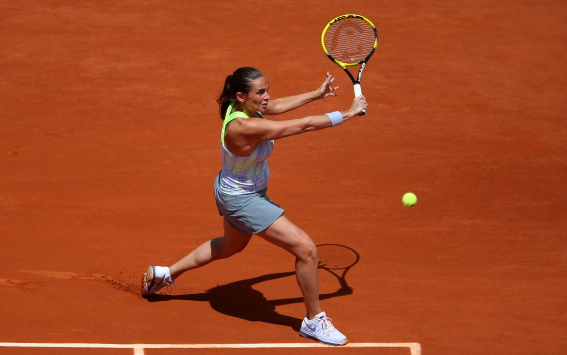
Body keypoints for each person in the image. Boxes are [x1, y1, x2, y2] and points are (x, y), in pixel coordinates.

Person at [141, 67, 367, 346]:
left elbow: (277, 106)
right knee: (306, 249)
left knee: (229, 246)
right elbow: (302, 125)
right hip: (243, 200)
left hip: (232, 190)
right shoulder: (244, 126)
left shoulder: (244, 109)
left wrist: (316, 94)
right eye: (260, 92)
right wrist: (347, 113)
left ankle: (166, 274)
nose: (267, 97)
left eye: (266, 89)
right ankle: (313, 320)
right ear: (240, 96)